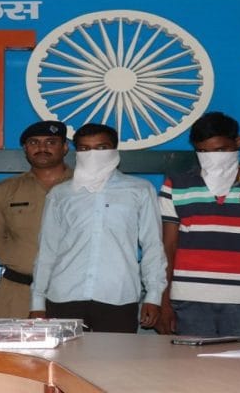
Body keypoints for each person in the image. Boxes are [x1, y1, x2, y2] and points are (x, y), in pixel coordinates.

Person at [29, 123, 167, 333]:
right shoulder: (60, 194)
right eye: (85, 149)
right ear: (76, 152)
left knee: (115, 356)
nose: (93, 155)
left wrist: (154, 295)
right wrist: (37, 302)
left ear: (114, 149)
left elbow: (153, 246)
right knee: (64, 355)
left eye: (101, 148)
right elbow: (47, 250)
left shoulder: (139, 189)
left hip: (118, 295)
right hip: (64, 296)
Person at [156, 112, 240, 339]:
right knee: (190, 362)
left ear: (238, 142)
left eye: (221, 150)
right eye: (203, 152)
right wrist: (163, 301)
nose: (213, 158)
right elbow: (167, 248)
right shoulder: (176, 186)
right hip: (189, 299)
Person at [0, 121, 72, 318]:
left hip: (73, 291)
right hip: (19, 290)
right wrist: (22, 258)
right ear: (25, 149)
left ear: (65, 147)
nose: (42, 148)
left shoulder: (84, 188)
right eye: (34, 143)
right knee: (13, 339)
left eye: (51, 142)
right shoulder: (6, 189)